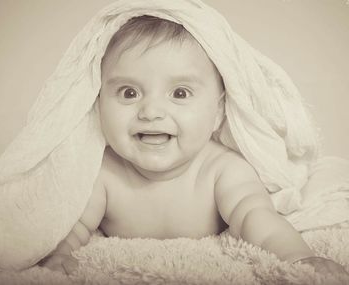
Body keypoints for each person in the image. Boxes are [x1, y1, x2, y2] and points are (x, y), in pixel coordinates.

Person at [40, 16, 348, 276]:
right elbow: (74, 224)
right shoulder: (103, 172)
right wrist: (58, 254)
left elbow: (257, 218)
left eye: (180, 93)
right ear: (98, 104)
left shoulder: (222, 170)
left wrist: (298, 257)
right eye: (129, 92)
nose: (151, 112)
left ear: (217, 112)